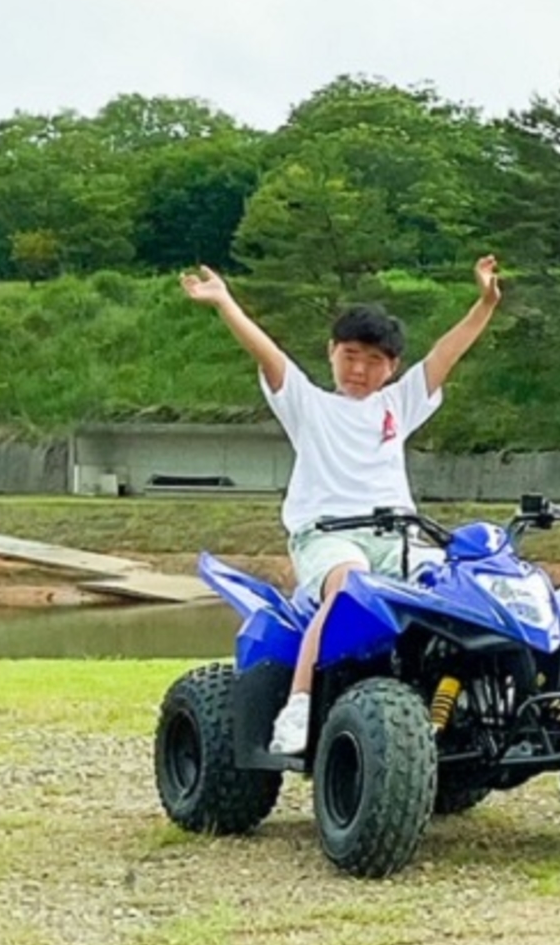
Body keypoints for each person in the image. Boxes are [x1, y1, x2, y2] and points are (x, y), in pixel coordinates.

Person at [180, 256, 505, 755]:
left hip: (397, 539)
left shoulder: (396, 404)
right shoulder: (309, 404)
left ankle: (466, 703)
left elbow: (448, 352)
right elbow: (267, 352)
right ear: (331, 352)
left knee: (457, 584)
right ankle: (300, 704)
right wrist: (224, 301)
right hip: (329, 538)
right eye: (350, 355)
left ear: (392, 367)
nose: (359, 369)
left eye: (374, 361)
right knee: (351, 585)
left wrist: (485, 304)